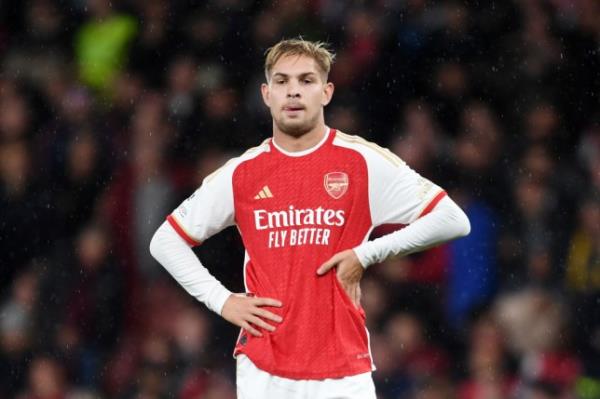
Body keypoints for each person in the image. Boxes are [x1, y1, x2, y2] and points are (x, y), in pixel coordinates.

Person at [149, 38, 471, 399]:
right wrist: (221, 300)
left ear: (327, 92)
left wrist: (367, 255)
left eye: (306, 81)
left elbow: (452, 219)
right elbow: (165, 241)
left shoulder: (361, 162)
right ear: (266, 94)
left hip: (343, 370)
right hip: (264, 369)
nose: (293, 92)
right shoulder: (242, 173)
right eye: (282, 82)